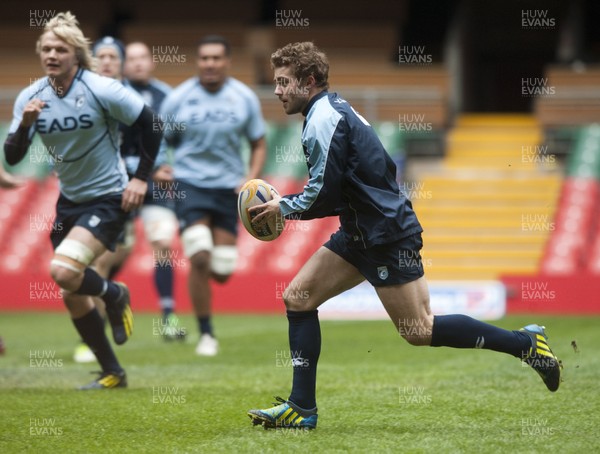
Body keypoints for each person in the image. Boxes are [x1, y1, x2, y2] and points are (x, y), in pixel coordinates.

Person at [246, 42, 562, 430]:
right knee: (297, 297)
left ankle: (526, 345)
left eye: (283, 82)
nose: (277, 91)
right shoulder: (328, 111)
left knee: (420, 329)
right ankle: (301, 408)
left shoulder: (323, 118)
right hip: (362, 230)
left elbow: (324, 193)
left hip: (384, 234)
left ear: (308, 82)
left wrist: (284, 205)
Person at [3, 12, 162, 389]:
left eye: (61, 49)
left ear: (76, 54)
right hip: (69, 200)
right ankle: (112, 372)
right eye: (46, 48)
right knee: (71, 290)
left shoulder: (101, 88)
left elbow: (151, 124)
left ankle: (114, 293)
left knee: (62, 271)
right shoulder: (31, 97)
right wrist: (25, 125)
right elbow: (11, 156)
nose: (52, 54)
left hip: (108, 197)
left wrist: (141, 179)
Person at [154, 35, 267, 356]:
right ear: (198, 62)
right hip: (190, 184)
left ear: (227, 62)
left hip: (230, 188)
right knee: (199, 255)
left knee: (222, 270)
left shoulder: (243, 98)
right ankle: (206, 334)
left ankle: (206, 314)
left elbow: (258, 141)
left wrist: (251, 178)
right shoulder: (179, 98)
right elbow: (161, 139)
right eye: (204, 58)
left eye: (216, 58)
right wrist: (160, 166)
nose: (210, 64)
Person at [122, 42, 182, 338]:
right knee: (112, 253)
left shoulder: (167, 96)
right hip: (120, 183)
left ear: (152, 62)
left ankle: (168, 317)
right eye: (131, 59)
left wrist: (170, 168)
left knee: (163, 245)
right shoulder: (113, 94)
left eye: (142, 58)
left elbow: (176, 140)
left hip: (155, 186)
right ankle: (105, 309)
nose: (137, 64)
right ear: (124, 64)